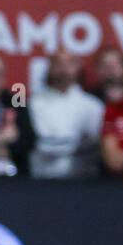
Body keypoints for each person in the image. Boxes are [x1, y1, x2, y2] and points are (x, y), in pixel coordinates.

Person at [29, 51, 105, 179]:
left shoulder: (93, 105)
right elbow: (42, 145)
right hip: (43, 180)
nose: (63, 69)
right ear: (49, 68)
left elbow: (97, 145)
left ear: (77, 68)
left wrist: (67, 144)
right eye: (58, 63)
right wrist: (78, 143)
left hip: (85, 181)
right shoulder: (34, 103)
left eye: (69, 63)